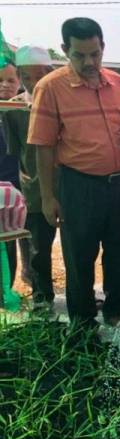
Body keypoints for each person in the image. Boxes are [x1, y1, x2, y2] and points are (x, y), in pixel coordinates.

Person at [28, 17, 120, 327]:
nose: (89, 62)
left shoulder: (117, 83)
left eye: (95, 53)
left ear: (103, 47)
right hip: (78, 185)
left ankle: (116, 310)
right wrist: (48, 197)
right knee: (79, 255)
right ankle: (82, 320)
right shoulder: (49, 88)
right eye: (79, 55)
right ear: (65, 50)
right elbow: (43, 146)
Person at [3, 46, 56, 311]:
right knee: (38, 248)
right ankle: (42, 296)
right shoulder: (13, 109)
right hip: (34, 185)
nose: (34, 83)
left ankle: (82, 296)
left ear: (50, 72)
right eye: (27, 77)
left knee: (78, 244)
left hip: (69, 184)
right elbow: (16, 152)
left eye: (40, 76)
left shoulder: (65, 102)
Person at [0, 61, 22, 287]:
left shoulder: (22, 111)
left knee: (12, 240)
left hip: (16, 189)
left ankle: (6, 290)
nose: (5, 86)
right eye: (0, 81)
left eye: (10, 80)